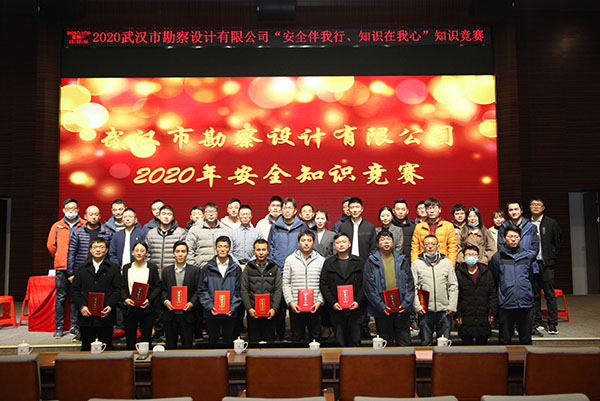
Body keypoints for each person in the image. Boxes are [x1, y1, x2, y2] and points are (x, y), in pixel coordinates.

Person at [497, 201, 541, 336]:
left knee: (531, 297)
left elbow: (534, 248)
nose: (514, 212)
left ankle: (532, 326)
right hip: (508, 265)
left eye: (516, 209)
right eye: (511, 210)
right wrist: (513, 258)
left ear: (521, 211)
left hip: (527, 265)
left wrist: (524, 257)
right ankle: (512, 327)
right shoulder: (503, 227)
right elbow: (500, 247)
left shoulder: (531, 227)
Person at [363, 230, 414, 346]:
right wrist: (380, 306)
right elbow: (369, 287)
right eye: (382, 240)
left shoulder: (402, 260)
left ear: (393, 242)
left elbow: (410, 283)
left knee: (405, 344)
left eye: (388, 239)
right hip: (382, 311)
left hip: (402, 310)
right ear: (377, 244)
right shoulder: (371, 262)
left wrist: (406, 304)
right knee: (386, 345)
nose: (386, 242)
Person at [267, 197, 308, 340]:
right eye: (284, 208)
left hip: (296, 270)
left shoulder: (302, 226)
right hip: (278, 270)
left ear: (295, 210)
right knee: (279, 305)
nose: (287, 211)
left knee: (295, 304)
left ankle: (297, 336)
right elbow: (270, 246)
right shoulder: (275, 226)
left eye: (289, 208)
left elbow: (307, 245)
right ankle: (280, 336)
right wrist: (273, 264)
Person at [70, 237, 121, 351]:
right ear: (90, 250)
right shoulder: (81, 268)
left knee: (106, 347)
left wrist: (110, 306)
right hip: (86, 315)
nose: (98, 250)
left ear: (106, 250)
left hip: (105, 315)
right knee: (86, 347)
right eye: (95, 247)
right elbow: (75, 290)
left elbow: (117, 289)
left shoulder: (113, 268)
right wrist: (82, 307)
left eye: (101, 247)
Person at [489, 225, 535, 345]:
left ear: (520, 238)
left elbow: (530, 278)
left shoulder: (527, 256)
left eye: (516, 236)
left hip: (525, 303)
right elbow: (494, 280)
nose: (513, 239)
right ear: (504, 238)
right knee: (505, 339)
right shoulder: (497, 257)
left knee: (526, 339)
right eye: (510, 236)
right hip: (506, 304)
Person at [47, 198, 85, 338]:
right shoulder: (57, 226)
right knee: (61, 297)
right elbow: (51, 246)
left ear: (78, 210)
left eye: (74, 208)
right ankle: (59, 326)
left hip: (78, 266)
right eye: (68, 209)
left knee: (77, 297)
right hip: (62, 266)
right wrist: (59, 257)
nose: (71, 211)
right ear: (64, 210)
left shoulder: (83, 224)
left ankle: (75, 326)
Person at [411, 235, 458, 346]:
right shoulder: (416, 264)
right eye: (427, 244)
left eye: (433, 244)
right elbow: (413, 287)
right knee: (426, 342)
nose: (430, 247)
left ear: (438, 246)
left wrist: (452, 306)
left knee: (444, 344)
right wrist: (417, 307)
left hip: (444, 310)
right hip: (425, 311)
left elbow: (453, 285)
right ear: (423, 247)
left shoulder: (447, 263)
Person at [319, 232, 365, 347]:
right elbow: (323, 284)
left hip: (355, 309)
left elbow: (365, 284)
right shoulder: (328, 263)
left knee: (355, 341)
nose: (341, 245)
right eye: (338, 243)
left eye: (344, 242)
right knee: (340, 342)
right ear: (334, 246)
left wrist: (358, 301)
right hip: (336, 309)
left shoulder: (359, 262)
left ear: (349, 244)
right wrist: (333, 303)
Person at [108, 207, 145, 339]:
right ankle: (120, 327)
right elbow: (112, 254)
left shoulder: (142, 233)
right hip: (120, 271)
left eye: (130, 217)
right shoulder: (117, 235)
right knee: (121, 298)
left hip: (138, 269)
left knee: (138, 297)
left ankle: (139, 327)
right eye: (125, 217)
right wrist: (118, 268)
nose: (128, 219)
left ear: (135, 219)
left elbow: (146, 251)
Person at [282, 230, 325, 343]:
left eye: (309, 240)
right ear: (298, 243)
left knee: (315, 339)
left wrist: (319, 301)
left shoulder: (321, 260)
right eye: (303, 240)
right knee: (297, 338)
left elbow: (324, 284)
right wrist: (291, 302)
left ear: (313, 243)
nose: (306, 243)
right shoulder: (290, 260)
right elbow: (286, 283)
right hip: (296, 306)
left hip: (315, 306)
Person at [199, 236, 242, 345]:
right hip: (211, 312)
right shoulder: (207, 268)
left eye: (225, 247)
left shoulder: (235, 268)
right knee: (212, 342)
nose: (222, 249)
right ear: (216, 249)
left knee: (229, 342)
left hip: (230, 313)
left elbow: (239, 290)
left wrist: (232, 307)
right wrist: (210, 306)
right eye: (220, 246)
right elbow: (202, 290)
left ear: (229, 249)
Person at [529, 197, 562, 335]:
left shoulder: (551, 223)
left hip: (547, 264)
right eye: (533, 204)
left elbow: (558, 242)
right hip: (532, 264)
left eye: (539, 205)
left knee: (549, 294)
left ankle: (552, 323)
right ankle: (536, 322)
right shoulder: (527, 223)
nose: (536, 207)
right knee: (534, 294)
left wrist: (551, 256)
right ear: (530, 207)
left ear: (543, 208)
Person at [161, 241, 201, 349]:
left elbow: (198, 290)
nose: (180, 254)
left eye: (183, 251)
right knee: (170, 346)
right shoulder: (166, 271)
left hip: (188, 314)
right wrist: (166, 301)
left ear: (187, 253)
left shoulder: (195, 271)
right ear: (173, 253)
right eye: (177, 251)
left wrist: (192, 303)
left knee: (187, 346)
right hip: (170, 314)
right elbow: (163, 290)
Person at [121, 241, 161, 350]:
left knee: (146, 338)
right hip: (130, 308)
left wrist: (148, 300)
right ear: (132, 252)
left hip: (146, 308)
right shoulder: (126, 268)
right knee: (130, 339)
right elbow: (122, 287)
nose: (139, 253)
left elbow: (157, 286)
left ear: (146, 253)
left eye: (142, 251)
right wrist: (125, 299)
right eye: (137, 251)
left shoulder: (152, 268)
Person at [241, 239, 282, 343]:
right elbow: (244, 289)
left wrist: (274, 308)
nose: (261, 252)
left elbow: (278, 289)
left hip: (269, 312)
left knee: (269, 342)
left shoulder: (274, 267)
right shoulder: (248, 268)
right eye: (258, 250)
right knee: (253, 342)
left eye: (263, 250)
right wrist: (249, 308)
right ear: (254, 252)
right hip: (253, 312)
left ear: (268, 251)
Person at [455, 245, 497, 345]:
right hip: (465, 316)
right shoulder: (458, 273)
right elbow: (456, 296)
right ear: (463, 257)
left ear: (478, 257)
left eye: (474, 255)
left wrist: (492, 312)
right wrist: (457, 314)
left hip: (483, 315)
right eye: (468, 255)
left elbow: (493, 295)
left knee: (483, 348)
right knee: (466, 347)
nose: (471, 257)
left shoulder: (487, 273)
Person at [67, 205, 113, 282]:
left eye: (96, 215)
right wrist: (70, 273)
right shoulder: (78, 232)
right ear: (85, 216)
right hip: (82, 269)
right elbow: (71, 253)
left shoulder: (107, 233)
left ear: (100, 216)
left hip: (103, 270)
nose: (94, 217)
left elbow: (110, 253)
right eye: (91, 215)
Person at [411, 198, 458, 266]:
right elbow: (415, 248)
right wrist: (415, 265)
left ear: (439, 209)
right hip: (423, 263)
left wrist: (451, 266)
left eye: (434, 208)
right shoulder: (419, 227)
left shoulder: (448, 226)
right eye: (429, 208)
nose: (432, 211)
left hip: (442, 262)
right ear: (426, 210)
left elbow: (452, 248)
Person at [145, 205, 187, 276]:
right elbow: (146, 254)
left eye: (169, 214)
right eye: (163, 214)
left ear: (173, 217)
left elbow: (184, 254)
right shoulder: (151, 233)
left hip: (173, 274)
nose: (166, 217)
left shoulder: (181, 233)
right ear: (159, 216)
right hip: (154, 273)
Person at [186, 202, 231, 268]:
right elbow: (189, 250)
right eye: (208, 212)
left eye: (213, 212)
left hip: (221, 268)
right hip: (201, 268)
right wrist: (194, 267)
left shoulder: (225, 230)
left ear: (217, 213)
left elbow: (231, 250)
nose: (211, 214)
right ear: (204, 214)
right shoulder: (195, 230)